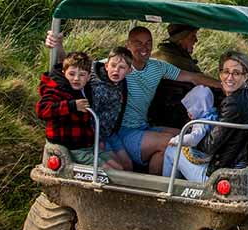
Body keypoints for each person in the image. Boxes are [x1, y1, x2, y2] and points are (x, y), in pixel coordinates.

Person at [45, 27, 220, 173]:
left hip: (141, 126)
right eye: (138, 43)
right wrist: (57, 45)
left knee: (181, 134)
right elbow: (73, 70)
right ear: (128, 45)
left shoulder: (158, 67)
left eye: (148, 43)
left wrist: (225, 86)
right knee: (170, 142)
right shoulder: (112, 66)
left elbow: (193, 77)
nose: (144, 48)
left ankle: (158, 192)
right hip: (121, 129)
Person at [36, 52, 112, 165]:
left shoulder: (85, 89)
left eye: (81, 75)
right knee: (110, 170)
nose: (76, 78)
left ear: (88, 77)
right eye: (71, 74)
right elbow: (42, 110)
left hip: (85, 144)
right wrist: (72, 106)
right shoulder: (58, 89)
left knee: (118, 164)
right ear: (64, 73)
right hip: (70, 147)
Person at [158, 85, 218, 182]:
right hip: (208, 160)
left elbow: (194, 138)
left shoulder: (201, 123)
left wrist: (177, 140)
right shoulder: (214, 117)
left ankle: (167, 186)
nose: (187, 111)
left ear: (200, 107)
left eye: (191, 107)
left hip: (203, 170)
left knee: (171, 150)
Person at [89, 47, 135, 171]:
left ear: (129, 71)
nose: (116, 70)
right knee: (118, 169)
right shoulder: (98, 87)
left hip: (110, 132)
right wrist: (98, 139)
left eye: (122, 68)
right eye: (113, 66)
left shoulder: (121, 82)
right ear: (106, 66)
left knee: (128, 165)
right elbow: (91, 116)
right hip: (96, 134)